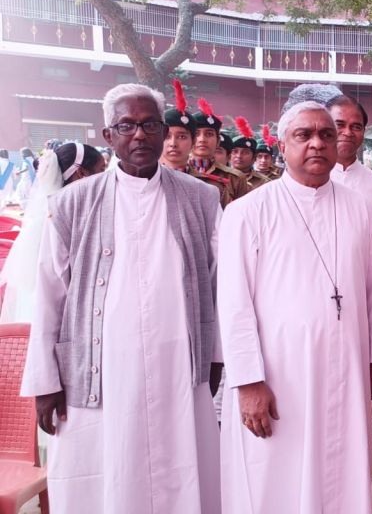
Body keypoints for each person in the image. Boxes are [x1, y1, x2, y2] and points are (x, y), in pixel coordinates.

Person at [20, 84, 222, 513]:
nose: (140, 135)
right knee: (106, 474)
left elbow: (218, 283)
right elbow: (50, 295)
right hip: (100, 369)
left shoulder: (201, 198)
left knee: (180, 469)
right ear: (108, 135)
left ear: (163, 131)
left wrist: (216, 357)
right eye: (126, 126)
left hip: (178, 366)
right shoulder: (74, 202)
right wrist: (45, 382)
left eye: (149, 125)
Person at [218, 100, 372, 513]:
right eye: (304, 135)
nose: (317, 143)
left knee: (342, 473)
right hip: (278, 376)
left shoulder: (359, 207)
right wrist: (248, 381)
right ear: (283, 146)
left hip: (347, 368)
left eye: (326, 135)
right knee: (275, 477)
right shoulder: (248, 211)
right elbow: (234, 304)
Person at [0, 143, 106, 325]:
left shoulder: (43, 220)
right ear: (82, 173)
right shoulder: (67, 223)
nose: (106, 178)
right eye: (101, 170)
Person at [327, 93, 372, 201]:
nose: (348, 132)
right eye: (339, 125)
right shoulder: (307, 180)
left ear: (363, 132)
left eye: (356, 127)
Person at [189, 97, 251, 207]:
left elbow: (243, 213)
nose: (202, 139)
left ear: (218, 141)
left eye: (209, 134)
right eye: (197, 134)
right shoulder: (177, 171)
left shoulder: (235, 178)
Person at [161, 79, 196, 172]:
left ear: (193, 141)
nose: (173, 144)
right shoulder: (143, 178)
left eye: (182, 137)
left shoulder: (203, 181)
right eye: (166, 136)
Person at [230, 116, 273, 189]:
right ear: (229, 155)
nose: (239, 156)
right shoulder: (220, 178)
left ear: (254, 158)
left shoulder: (265, 183)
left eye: (245, 152)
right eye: (235, 151)